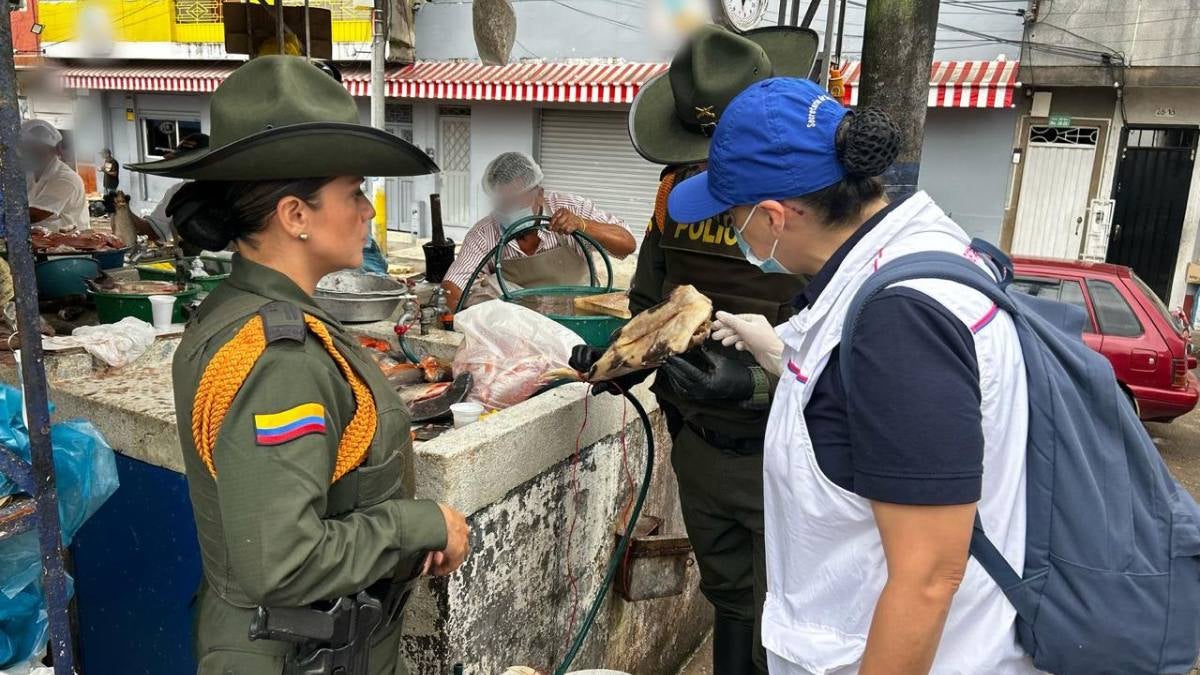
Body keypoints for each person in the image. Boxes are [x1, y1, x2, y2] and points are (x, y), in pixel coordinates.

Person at [669, 77, 1042, 675]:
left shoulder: (900, 319)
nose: (733, 232)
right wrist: (781, 353)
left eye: (731, 215)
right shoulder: (912, 254)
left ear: (772, 217)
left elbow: (927, 576)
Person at [128, 56, 471, 675]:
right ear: (295, 216)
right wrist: (420, 525)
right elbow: (281, 560)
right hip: (293, 654)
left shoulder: (243, 310)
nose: (367, 211)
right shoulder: (277, 356)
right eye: (353, 193)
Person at [573, 24, 816, 675]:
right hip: (703, 447)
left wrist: (754, 385)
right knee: (731, 602)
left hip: (790, 451)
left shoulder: (815, 204)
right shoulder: (672, 198)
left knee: (789, 620)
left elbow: (849, 357)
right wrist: (622, 359)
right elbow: (649, 303)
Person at [440, 152, 636, 309]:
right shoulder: (484, 232)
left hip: (578, 314)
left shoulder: (570, 207)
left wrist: (583, 225)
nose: (510, 209)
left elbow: (626, 243)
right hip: (522, 326)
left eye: (517, 200)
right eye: (503, 202)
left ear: (539, 194)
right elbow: (453, 287)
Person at [20, 119, 88, 233]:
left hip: (69, 245)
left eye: (37, 150)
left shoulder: (65, 179)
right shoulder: (29, 174)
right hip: (40, 241)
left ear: (55, 150)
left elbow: (36, 214)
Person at [100, 148, 120, 214]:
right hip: (106, 184)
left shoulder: (113, 162)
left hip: (111, 184)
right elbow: (107, 169)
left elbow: (114, 173)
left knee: (112, 201)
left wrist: (104, 170)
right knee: (106, 200)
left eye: (102, 154)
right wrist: (101, 169)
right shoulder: (107, 160)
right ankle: (108, 214)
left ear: (107, 154)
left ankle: (113, 214)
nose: (101, 155)